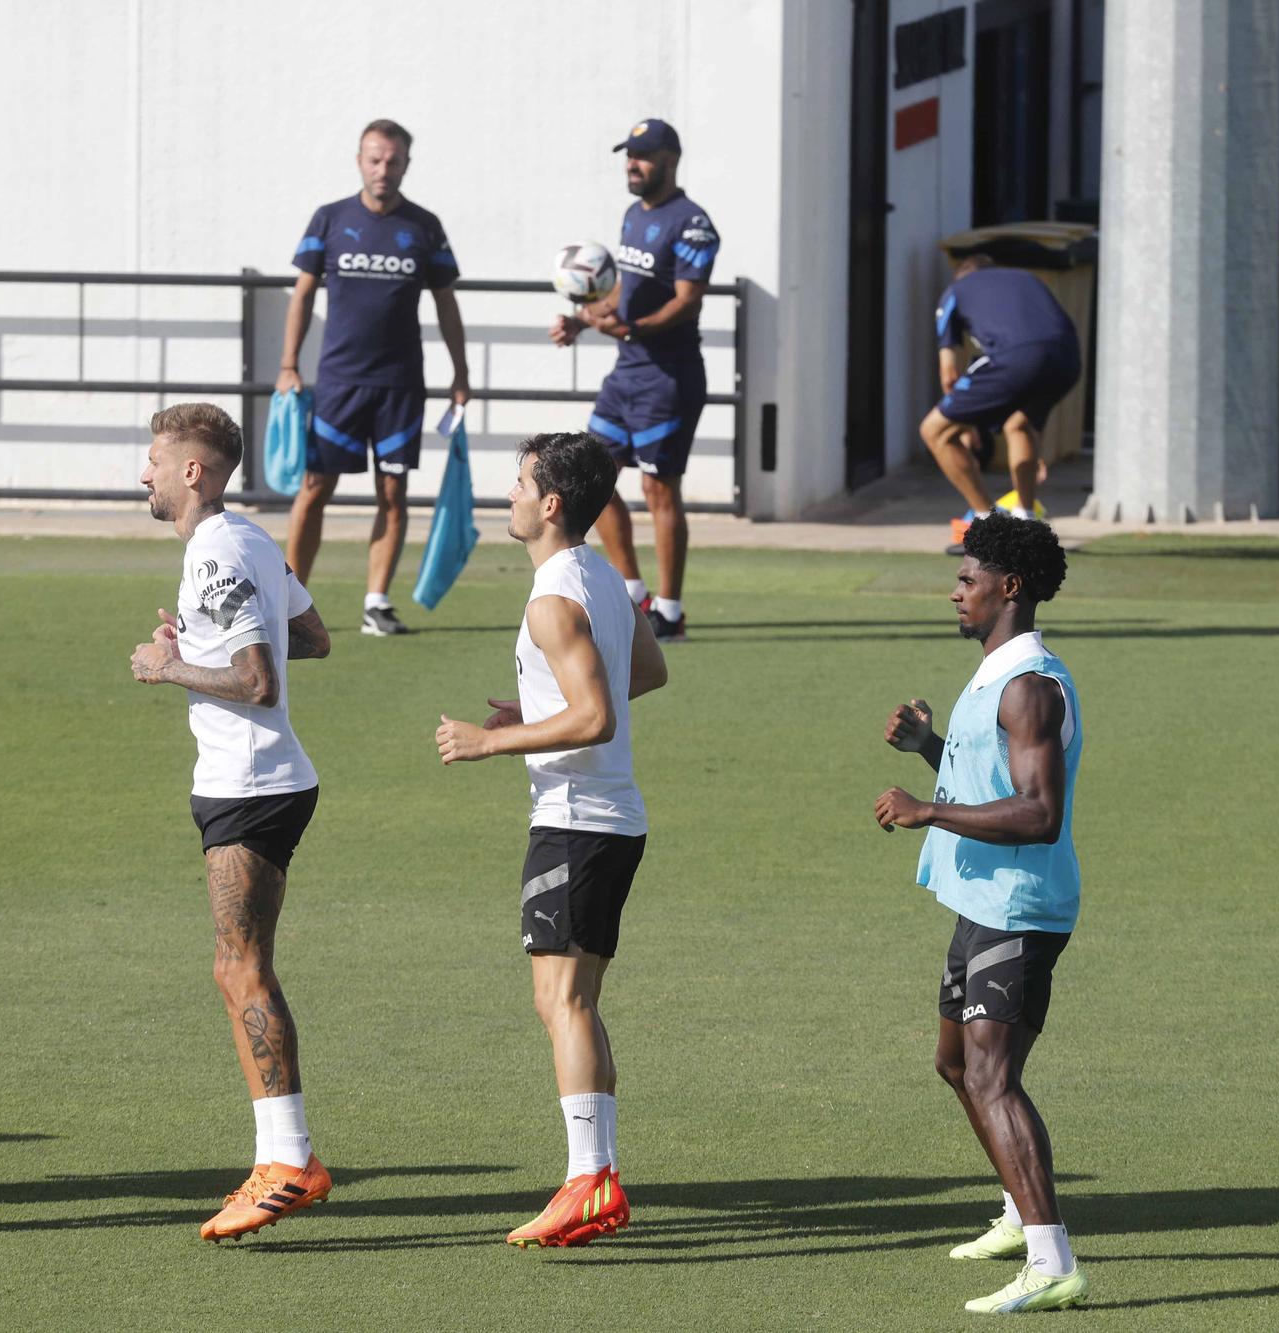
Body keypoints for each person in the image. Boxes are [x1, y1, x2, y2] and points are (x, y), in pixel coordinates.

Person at [433, 431, 667, 1248]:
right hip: (613, 819)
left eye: (520, 483)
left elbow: (599, 712)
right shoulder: (600, 573)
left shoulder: (549, 597)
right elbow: (645, 671)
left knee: (560, 1001)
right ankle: (595, 1175)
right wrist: (539, 710)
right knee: (577, 1002)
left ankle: (588, 1181)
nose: (510, 494)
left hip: (574, 819)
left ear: (551, 503)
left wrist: (489, 739)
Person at [130, 403, 335, 1242]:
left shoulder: (215, 548)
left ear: (192, 470)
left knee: (241, 967)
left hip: (250, 783)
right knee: (234, 966)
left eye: (153, 459)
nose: (141, 473)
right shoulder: (246, 538)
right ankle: (280, 1154)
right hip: (258, 780)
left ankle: (289, 1162)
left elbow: (260, 682)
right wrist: (203, 641)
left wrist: (169, 665)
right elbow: (312, 638)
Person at [874, 510, 1088, 1315]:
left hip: (1020, 906)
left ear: (1010, 586)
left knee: (994, 1073)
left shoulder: (1030, 686)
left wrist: (926, 810)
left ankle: (1051, 1257)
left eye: (967, 579)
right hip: (979, 899)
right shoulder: (999, 673)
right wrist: (930, 746)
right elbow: (990, 775)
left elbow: (1038, 813)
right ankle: (1015, 1210)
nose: (955, 590)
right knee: (957, 1064)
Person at [279, 118, 469, 637]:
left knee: (393, 491)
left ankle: (376, 603)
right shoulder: (330, 219)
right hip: (339, 382)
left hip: (400, 385)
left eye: (393, 160)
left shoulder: (424, 226)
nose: (383, 169)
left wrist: (461, 373)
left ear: (407, 164)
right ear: (360, 160)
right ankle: (289, 602)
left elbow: (446, 303)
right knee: (316, 488)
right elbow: (302, 295)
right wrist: (288, 365)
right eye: (374, 158)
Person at [549, 118, 719, 641]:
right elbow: (622, 293)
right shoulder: (632, 215)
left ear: (670, 159)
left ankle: (669, 609)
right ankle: (633, 592)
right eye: (628, 155)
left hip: (668, 377)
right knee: (591, 478)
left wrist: (633, 328)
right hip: (627, 374)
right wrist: (584, 318)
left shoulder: (692, 223)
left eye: (643, 156)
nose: (632, 164)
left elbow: (687, 300)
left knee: (659, 489)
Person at [918, 256, 1082, 555]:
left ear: (962, 276)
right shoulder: (1026, 276)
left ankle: (988, 529)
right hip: (1067, 358)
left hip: (1017, 357)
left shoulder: (955, 290)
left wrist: (964, 423)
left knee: (934, 430)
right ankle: (1027, 523)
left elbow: (949, 374)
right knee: (1020, 424)